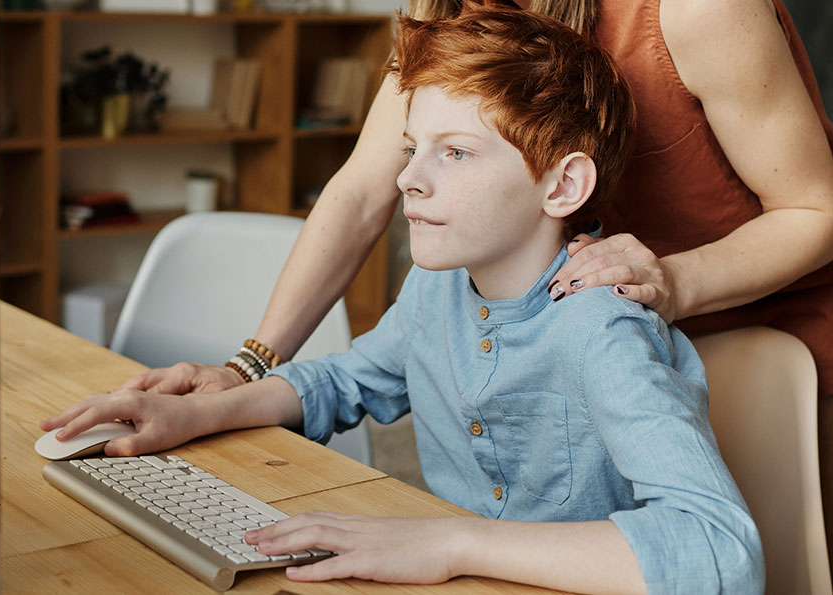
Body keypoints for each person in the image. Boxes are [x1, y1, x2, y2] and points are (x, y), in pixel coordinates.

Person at [42, 6, 763, 592]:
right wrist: (206, 406)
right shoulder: (437, 289)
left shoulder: (601, 327)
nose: (408, 180)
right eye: (412, 148)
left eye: (454, 153)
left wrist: (454, 539)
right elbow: (345, 379)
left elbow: (719, 549)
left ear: (562, 185)